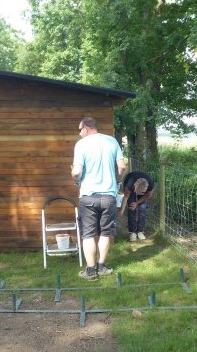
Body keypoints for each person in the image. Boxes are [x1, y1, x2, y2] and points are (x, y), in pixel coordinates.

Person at [71, 117, 126, 280]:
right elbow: (122, 166)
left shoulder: (81, 144)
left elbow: (76, 172)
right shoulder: (112, 141)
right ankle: (102, 266)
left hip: (88, 196)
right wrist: (117, 181)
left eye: (80, 130)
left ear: (87, 128)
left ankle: (90, 271)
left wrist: (76, 179)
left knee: (88, 234)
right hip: (109, 196)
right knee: (105, 232)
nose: (79, 133)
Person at [117, 171, 155, 242]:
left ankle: (140, 231)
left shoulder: (150, 184)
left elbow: (148, 196)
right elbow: (126, 197)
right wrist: (121, 211)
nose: (137, 192)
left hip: (143, 190)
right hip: (131, 185)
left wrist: (137, 203)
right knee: (131, 208)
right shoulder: (130, 184)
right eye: (137, 191)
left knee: (142, 209)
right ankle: (132, 232)